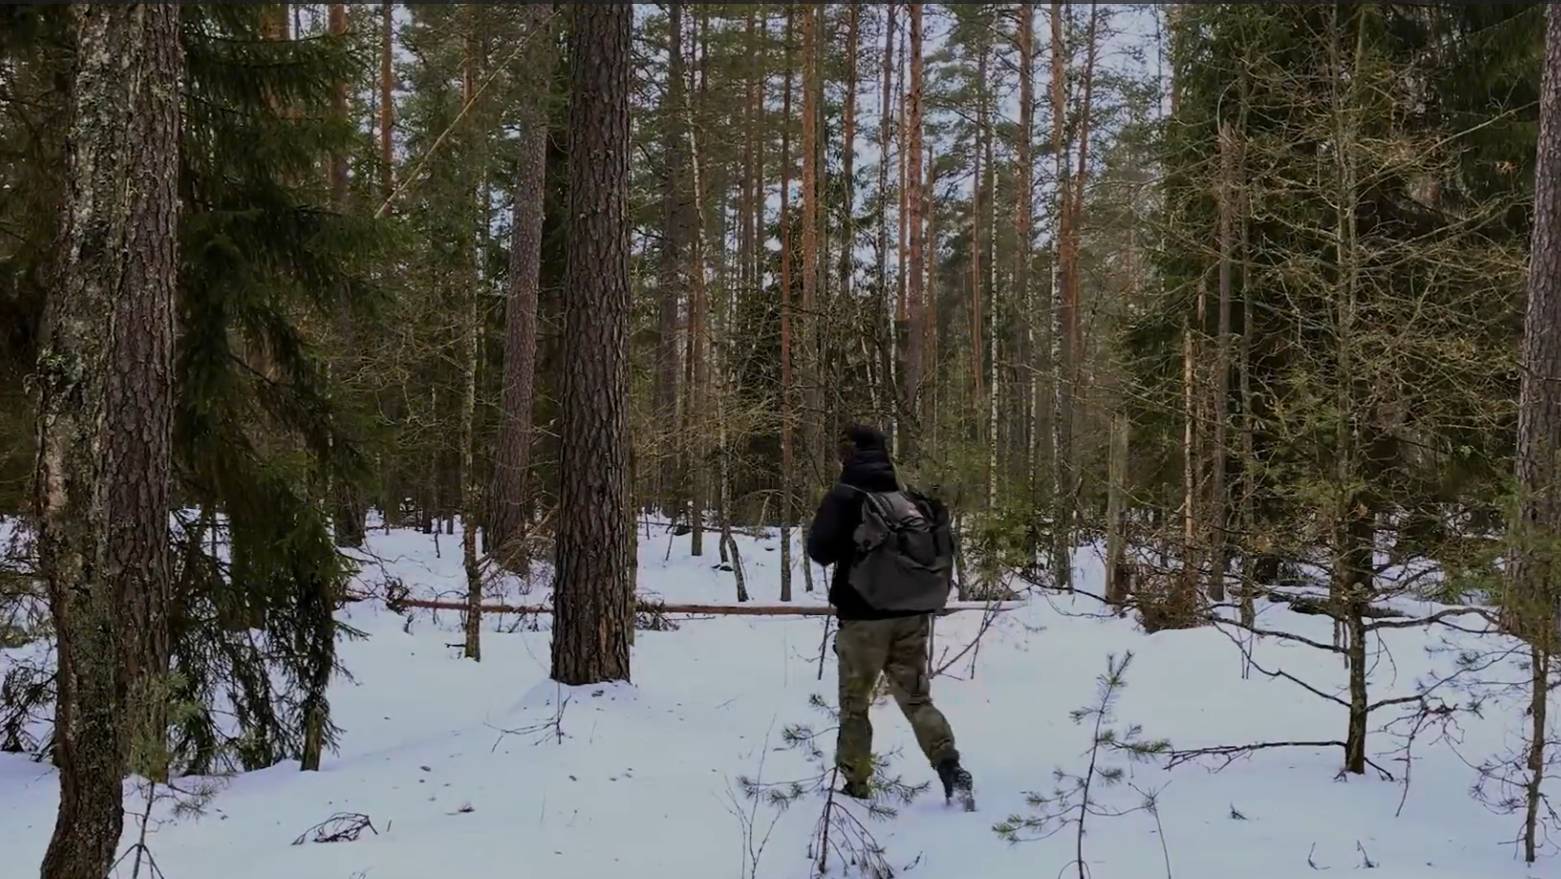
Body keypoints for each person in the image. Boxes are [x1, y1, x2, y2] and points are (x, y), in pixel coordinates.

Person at [806, 424, 972, 802]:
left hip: (862, 619)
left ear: (848, 455)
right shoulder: (905, 499)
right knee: (916, 699)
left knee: (855, 705)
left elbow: (820, 551)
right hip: (911, 616)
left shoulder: (846, 497)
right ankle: (949, 765)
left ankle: (856, 784)